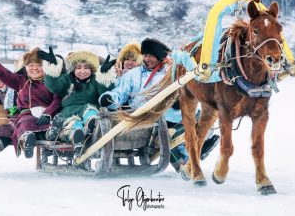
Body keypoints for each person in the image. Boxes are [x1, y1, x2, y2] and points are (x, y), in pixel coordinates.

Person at [99, 38, 219, 171]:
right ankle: (185, 159)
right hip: (146, 117)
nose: (147, 59)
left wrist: (178, 101)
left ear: (159, 57)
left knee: (202, 121)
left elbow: (182, 89)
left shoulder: (170, 72)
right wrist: (110, 98)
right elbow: (120, 92)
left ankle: (194, 149)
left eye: (151, 56)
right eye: (145, 55)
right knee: (168, 134)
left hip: (172, 114)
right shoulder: (133, 75)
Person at [0, 40, 61, 163]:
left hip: (48, 117)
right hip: (27, 117)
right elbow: (0, 71)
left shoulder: (52, 81)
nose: (35, 68)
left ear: (45, 67)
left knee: (51, 125)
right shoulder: (20, 81)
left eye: (38, 65)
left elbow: (57, 99)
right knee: (24, 123)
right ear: (26, 67)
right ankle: (27, 140)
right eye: (31, 65)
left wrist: (48, 112)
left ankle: (48, 134)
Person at [38, 47, 117, 145]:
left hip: (90, 108)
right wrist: (53, 67)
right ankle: (75, 134)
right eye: (79, 68)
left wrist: (104, 75)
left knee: (91, 111)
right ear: (73, 69)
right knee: (73, 123)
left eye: (86, 68)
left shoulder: (94, 80)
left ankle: (91, 123)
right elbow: (54, 87)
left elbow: (105, 92)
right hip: (70, 111)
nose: (82, 71)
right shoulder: (67, 79)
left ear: (91, 69)